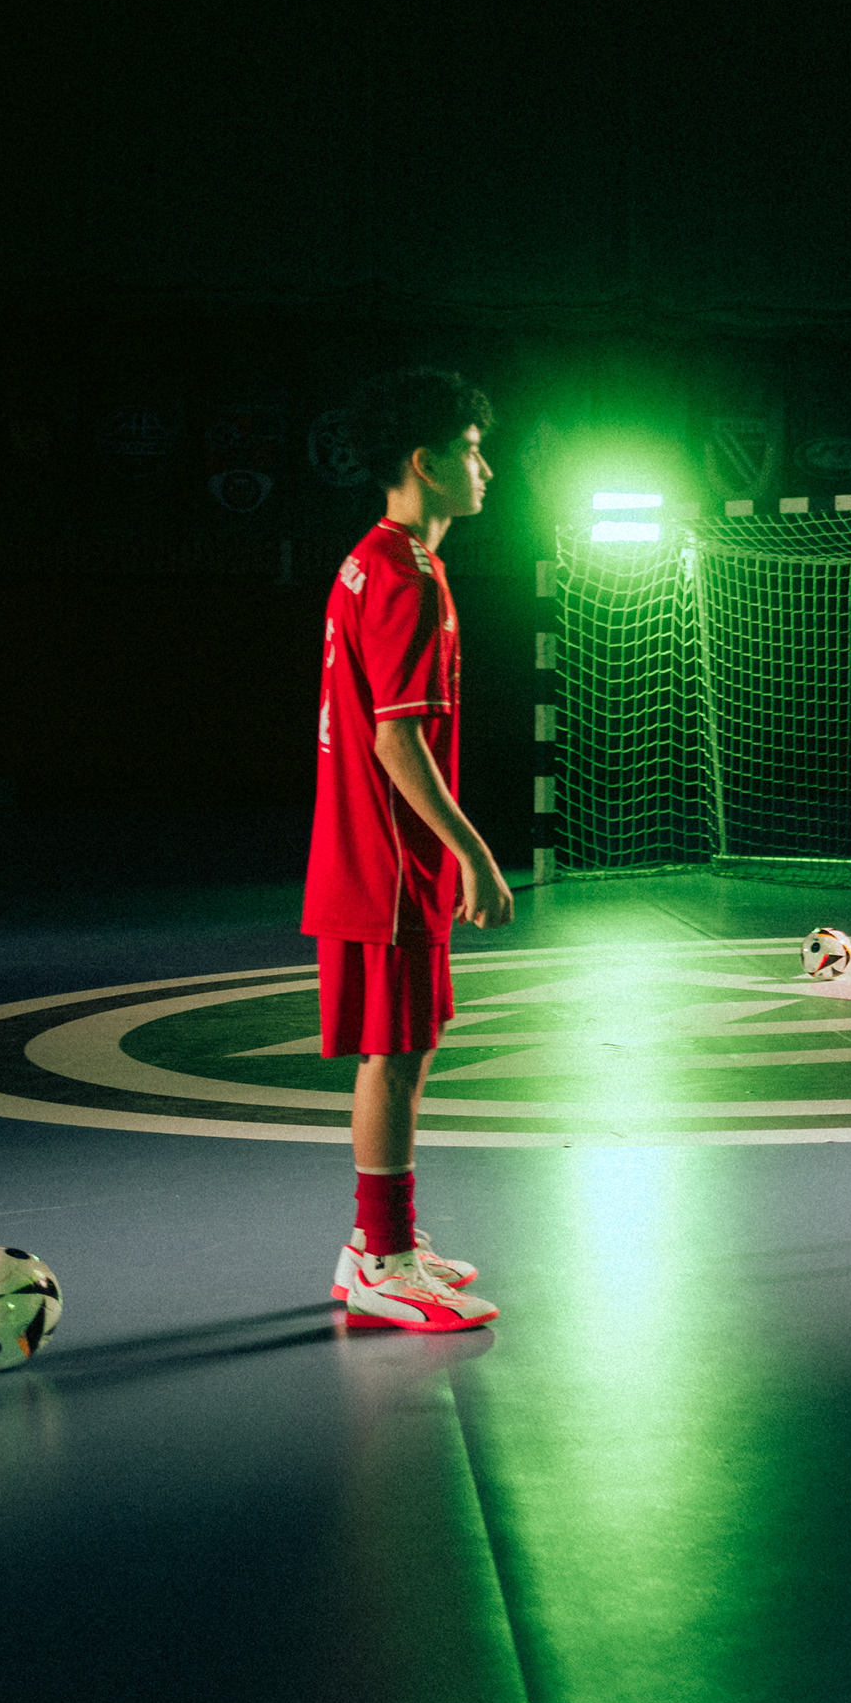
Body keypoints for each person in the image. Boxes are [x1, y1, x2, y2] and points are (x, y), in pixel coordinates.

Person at [307, 365, 517, 1330]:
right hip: (388, 858)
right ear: (426, 463)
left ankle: (379, 1240)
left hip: (371, 850)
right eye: (472, 452)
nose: (487, 467)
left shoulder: (373, 558)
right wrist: (474, 853)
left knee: (405, 1045)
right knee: (393, 1053)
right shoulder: (405, 576)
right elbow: (398, 740)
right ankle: (382, 1261)